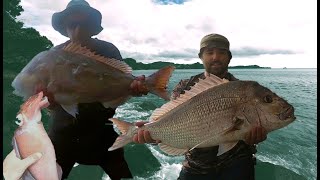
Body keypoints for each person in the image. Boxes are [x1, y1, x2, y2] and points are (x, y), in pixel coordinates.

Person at [133, 33, 268, 180]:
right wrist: (152, 132)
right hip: (196, 167)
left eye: (222, 52)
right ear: (201, 57)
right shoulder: (185, 87)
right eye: (209, 52)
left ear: (229, 57)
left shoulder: (244, 91)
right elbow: (172, 121)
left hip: (238, 163)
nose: (215, 57)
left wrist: (254, 136)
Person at [47, 0, 147, 179]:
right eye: (72, 24)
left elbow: (122, 82)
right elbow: (47, 102)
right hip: (62, 134)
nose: (78, 30)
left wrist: (134, 87)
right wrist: (47, 100)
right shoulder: (53, 55)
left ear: (93, 27)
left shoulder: (107, 50)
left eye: (84, 25)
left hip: (101, 131)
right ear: (65, 27)